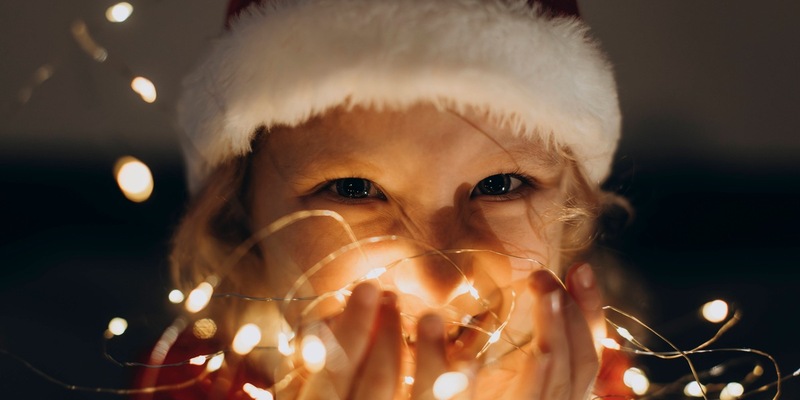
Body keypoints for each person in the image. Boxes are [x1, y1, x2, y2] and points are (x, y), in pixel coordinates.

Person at [137, 0, 631, 399]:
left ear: (572, 209)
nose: (441, 280)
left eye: (500, 185)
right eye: (355, 191)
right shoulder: (191, 383)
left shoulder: (592, 380)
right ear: (242, 216)